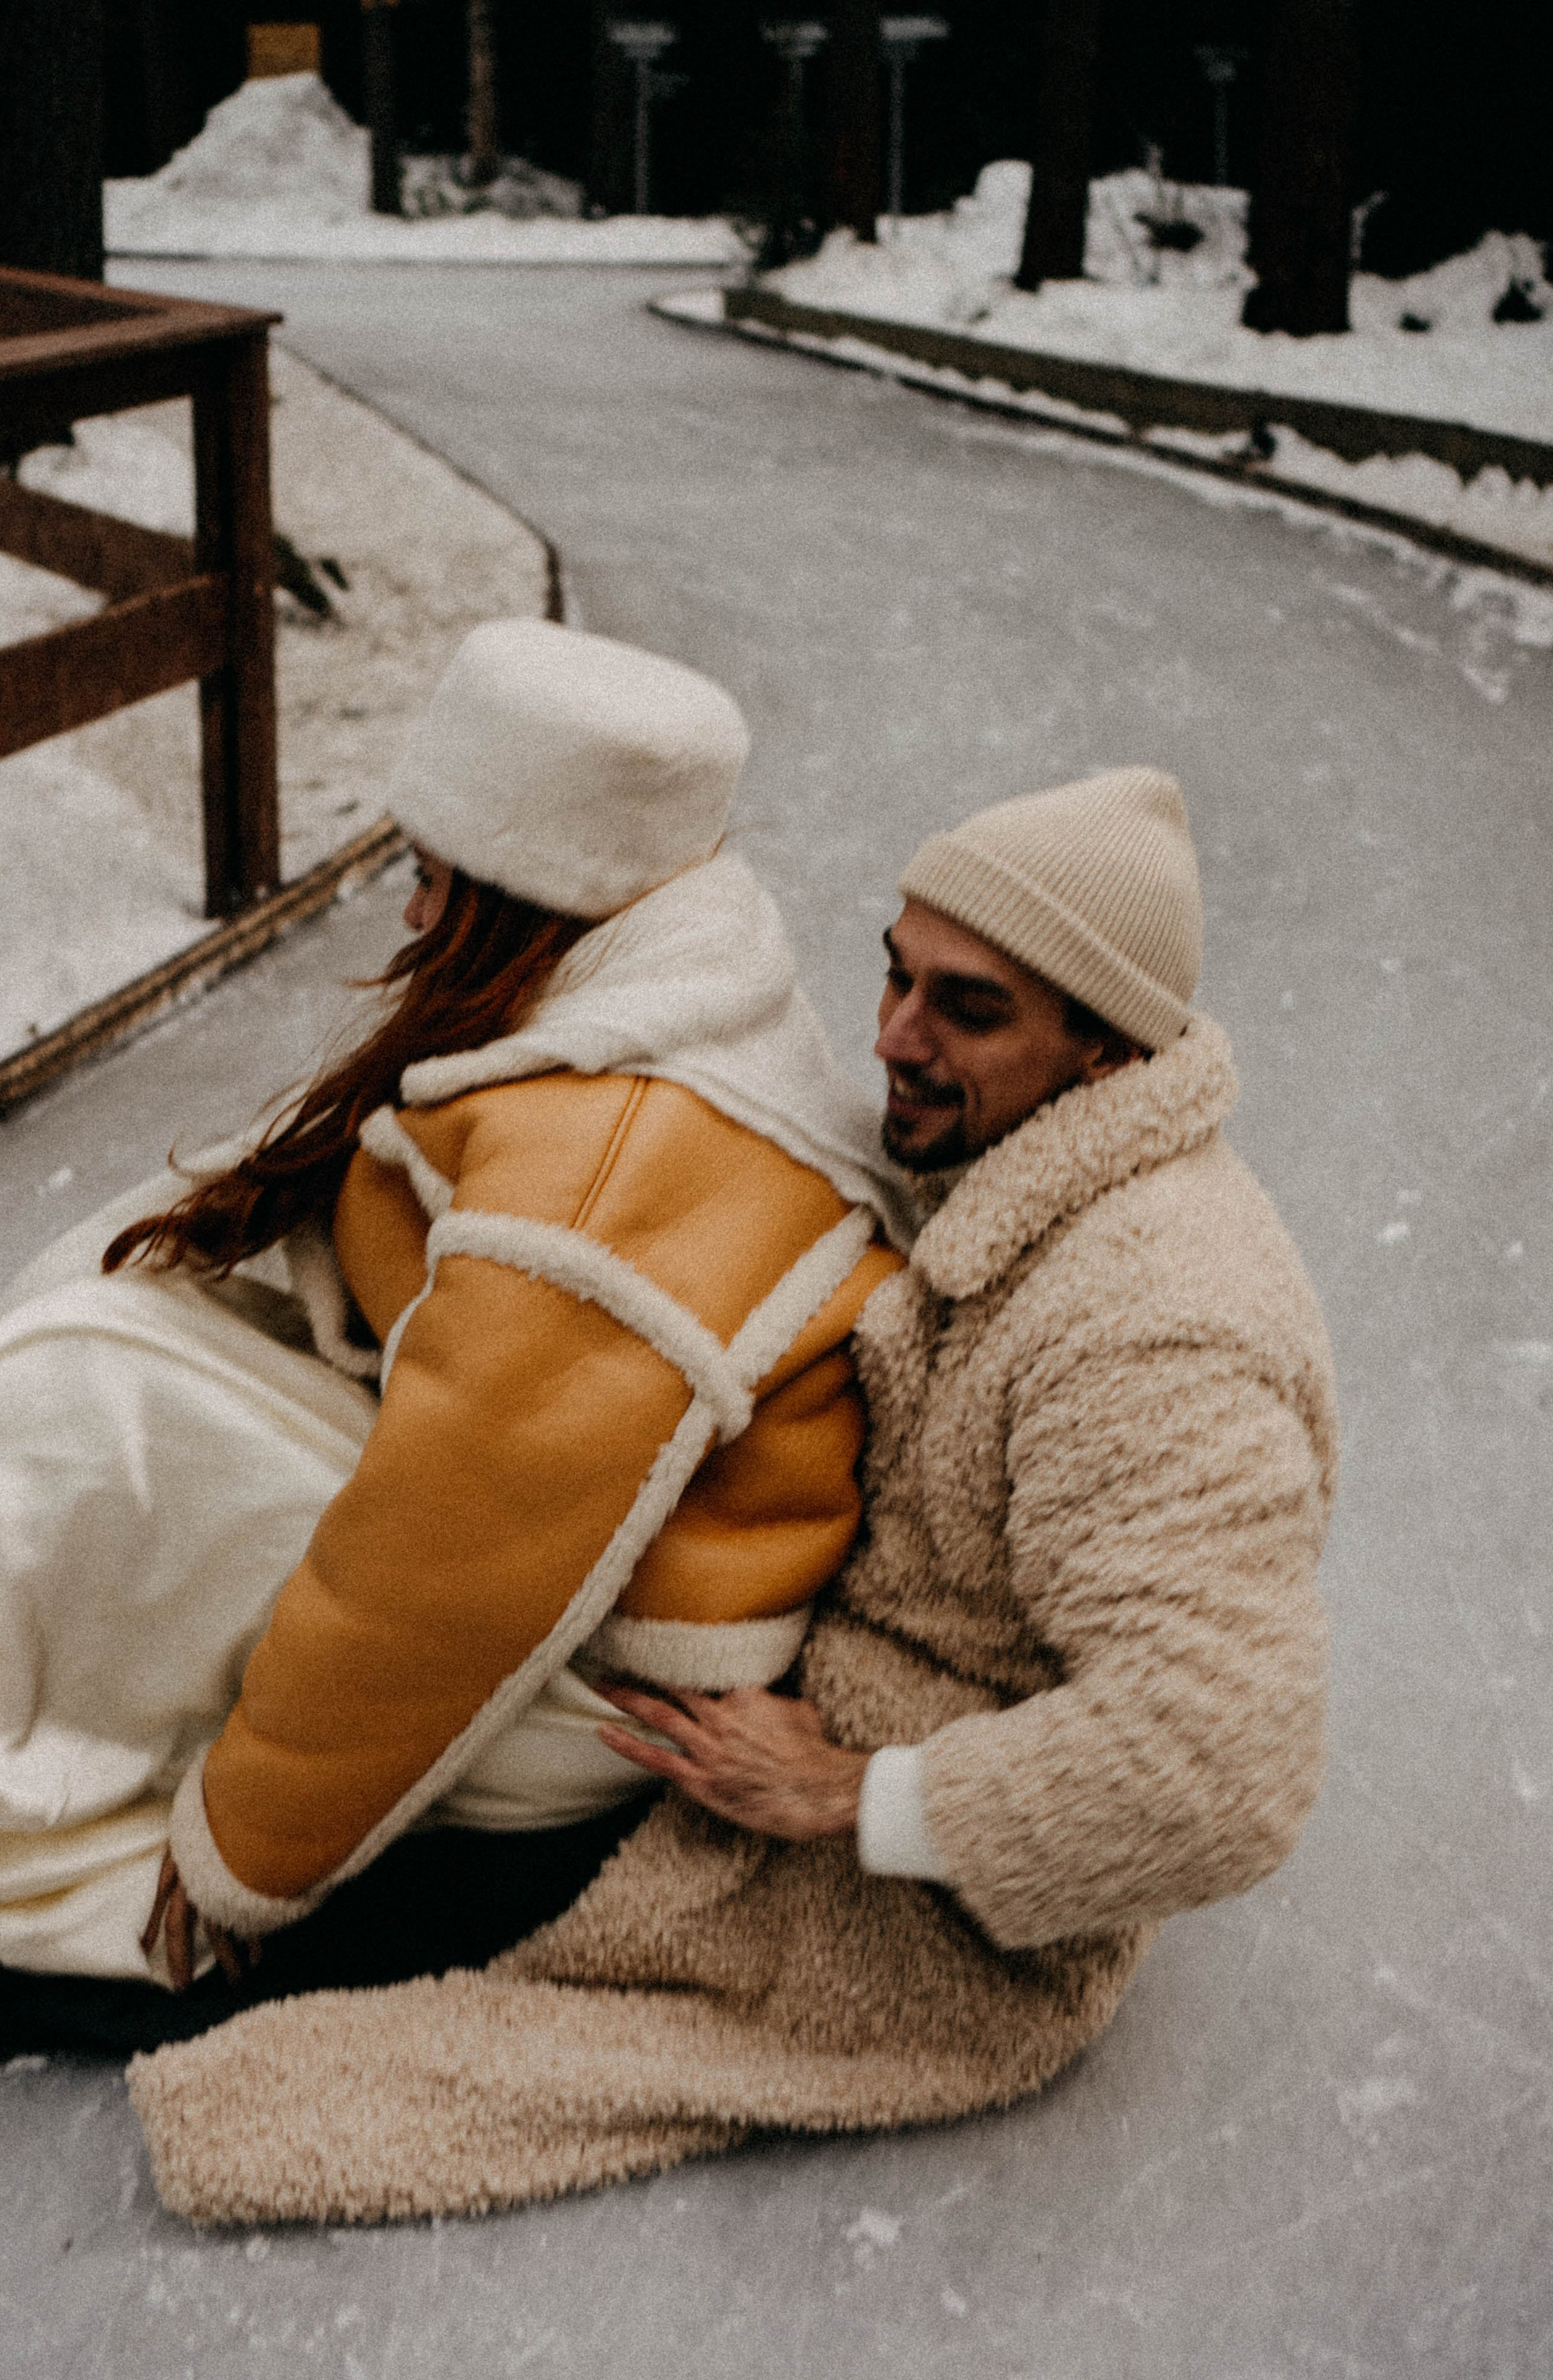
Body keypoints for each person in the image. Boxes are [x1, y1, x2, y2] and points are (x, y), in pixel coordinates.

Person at [128, 763, 1339, 2228]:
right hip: (776, 1684)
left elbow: (1222, 1764)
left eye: (969, 1010)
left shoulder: (1155, 1327)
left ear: (1102, 1051)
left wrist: (856, 1795)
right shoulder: (1020, 1157)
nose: (893, 1039)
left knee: (224, 1942)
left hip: (880, 1890)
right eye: (895, 978)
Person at [0, 617, 906, 2054]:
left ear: (528, 886)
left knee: (98, 1416)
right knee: (99, 1371)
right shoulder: (661, 974)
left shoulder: (606, 1179)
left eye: (433, 879)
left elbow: (442, 1580)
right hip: (559, 1590)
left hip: (578, 1701)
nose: (411, 918)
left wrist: (251, 1850)